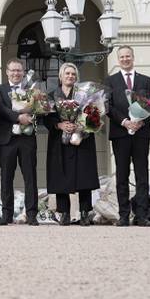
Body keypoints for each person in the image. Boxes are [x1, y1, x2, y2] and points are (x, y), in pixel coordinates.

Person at [104, 45, 150, 227]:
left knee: (142, 175)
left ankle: (141, 216)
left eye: (128, 56)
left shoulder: (145, 80)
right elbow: (108, 106)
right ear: (118, 60)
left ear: (133, 58)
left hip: (141, 133)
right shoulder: (110, 81)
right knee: (122, 175)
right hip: (120, 133)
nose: (125, 59)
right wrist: (125, 122)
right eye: (122, 57)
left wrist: (141, 121)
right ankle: (124, 215)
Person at [44, 63, 100, 226]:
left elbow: (94, 115)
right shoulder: (52, 95)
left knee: (84, 176)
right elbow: (46, 118)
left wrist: (82, 124)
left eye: (73, 74)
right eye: (67, 73)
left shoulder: (85, 94)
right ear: (61, 76)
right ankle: (64, 213)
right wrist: (59, 125)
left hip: (82, 140)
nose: (70, 76)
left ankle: (84, 213)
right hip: (59, 141)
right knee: (61, 176)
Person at [0, 58, 40, 226]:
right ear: (7, 72)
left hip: (27, 138)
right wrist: (18, 117)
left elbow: (39, 109)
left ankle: (32, 214)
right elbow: (0, 108)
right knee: (6, 177)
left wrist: (32, 115)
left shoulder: (32, 89)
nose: (16, 73)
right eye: (12, 70)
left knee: (30, 176)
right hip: (7, 139)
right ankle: (6, 214)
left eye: (19, 70)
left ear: (23, 72)